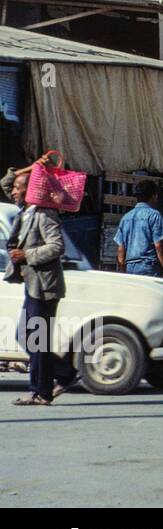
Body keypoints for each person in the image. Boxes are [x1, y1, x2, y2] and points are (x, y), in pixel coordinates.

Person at [5, 165, 67, 406]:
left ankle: (40, 391)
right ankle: (63, 373)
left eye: (20, 188)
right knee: (27, 336)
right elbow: (6, 183)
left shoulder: (44, 214)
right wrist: (31, 168)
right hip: (33, 286)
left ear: (30, 191)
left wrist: (27, 255)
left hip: (44, 287)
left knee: (36, 339)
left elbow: (56, 246)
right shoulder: (26, 210)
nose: (13, 192)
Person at [114, 180, 163, 278]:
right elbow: (159, 245)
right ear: (154, 196)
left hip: (130, 267)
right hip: (149, 267)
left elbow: (121, 248)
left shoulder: (126, 217)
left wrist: (122, 270)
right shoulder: (154, 215)